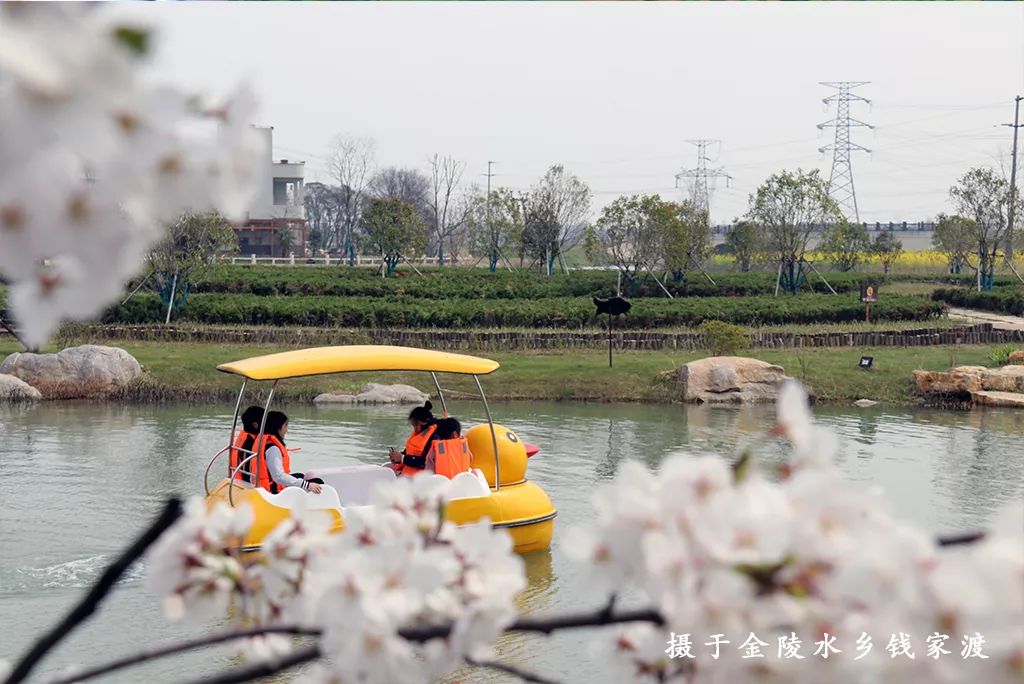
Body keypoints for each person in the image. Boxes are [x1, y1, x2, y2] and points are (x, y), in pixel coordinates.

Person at [255, 411, 324, 494]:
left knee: (300, 475)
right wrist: (306, 485)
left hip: (269, 483)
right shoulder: (273, 449)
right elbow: (278, 477)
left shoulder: (263, 442)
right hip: (274, 490)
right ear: (278, 428)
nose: (286, 430)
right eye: (285, 426)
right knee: (318, 482)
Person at [388, 401, 438, 477]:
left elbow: (425, 462)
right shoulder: (419, 433)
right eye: (413, 426)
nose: (415, 429)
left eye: (416, 425)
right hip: (408, 476)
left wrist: (403, 458)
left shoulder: (435, 437)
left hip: (422, 479)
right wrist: (397, 457)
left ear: (425, 422)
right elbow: (409, 453)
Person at [229, 406, 264, 483]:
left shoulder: (244, 437)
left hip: (237, 480)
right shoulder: (250, 443)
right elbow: (248, 471)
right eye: (265, 422)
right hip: (247, 483)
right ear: (255, 425)